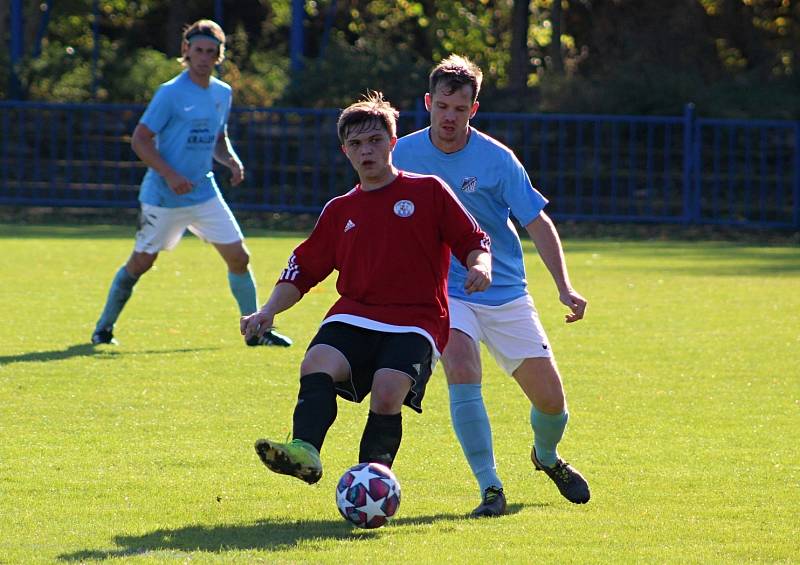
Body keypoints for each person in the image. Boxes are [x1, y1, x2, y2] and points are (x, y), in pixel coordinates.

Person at [240, 92, 491, 483]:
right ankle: (305, 452)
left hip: (417, 318)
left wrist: (481, 266)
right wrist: (268, 310)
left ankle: (373, 479)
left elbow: (472, 239)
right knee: (316, 363)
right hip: (356, 312)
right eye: (356, 144)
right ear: (345, 152)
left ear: (393, 142)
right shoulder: (340, 210)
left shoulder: (429, 191)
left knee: (387, 391)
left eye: (375, 140)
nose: (366, 151)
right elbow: (304, 269)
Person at [392, 54, 590, 517]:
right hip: (444, 291)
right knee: (462, 368)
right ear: (428, 102)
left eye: (459, 110)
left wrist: (564, 286)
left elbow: (537, 223)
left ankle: (546, 456)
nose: (449, 117)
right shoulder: (400, 155)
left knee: (551, 402)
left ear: (473, 110)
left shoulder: (497, 159)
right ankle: (490, 488)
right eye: (442, 106)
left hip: (504, 291)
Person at [91, 19, 291, 348]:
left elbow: (218, 137)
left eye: (211, 52)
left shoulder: (221, 93)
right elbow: (141, 140)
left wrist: (231, 159)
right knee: (141, 263)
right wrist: (170, 174)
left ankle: (257, 331)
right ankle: (103, 328)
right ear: (186, 50)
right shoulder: (170, 93)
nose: (204, 57)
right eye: (198, 50)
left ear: (219, 56)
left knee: (239, 257)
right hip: (163, 197)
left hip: (203, 191)